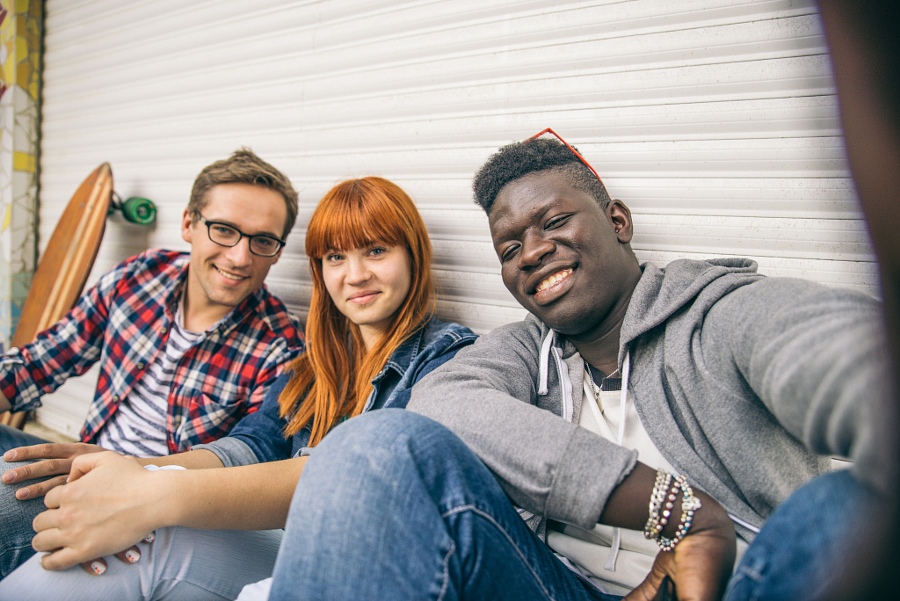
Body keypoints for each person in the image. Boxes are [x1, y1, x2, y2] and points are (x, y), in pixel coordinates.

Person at [261, 133, 891, 601]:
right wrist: (678, 510)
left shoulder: (715, 314)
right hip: (557, 587)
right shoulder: (522, 350)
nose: (533, 251)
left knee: (846, 507)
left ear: (617, 221)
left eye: (554, 221)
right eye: (510, 249)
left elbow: (833, 349)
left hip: (735, 586)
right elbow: (441, 404)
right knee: (371, 442)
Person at [0, 176, 477, 600]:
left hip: (347, 560)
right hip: (255, 529)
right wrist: (131, 471)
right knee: (20, 483)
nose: (355, 275)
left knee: (158, 534)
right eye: (336, 257)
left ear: (414, 255)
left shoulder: (444, 357)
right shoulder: (316, 362)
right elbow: (251, 444)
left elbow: (350, 480)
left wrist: (151, 491)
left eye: (376, 251)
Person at [0, 148, 305, 579]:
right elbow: (41, 362)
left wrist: (138, 488)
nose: (240, 257)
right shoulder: (139, 277)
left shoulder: (281, 347)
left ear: (277, 252)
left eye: (262, 241)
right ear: (188, 224)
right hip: (80, 461)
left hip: (155, 504)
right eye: (224, 230)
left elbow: (250, 460)